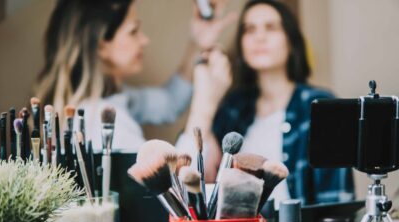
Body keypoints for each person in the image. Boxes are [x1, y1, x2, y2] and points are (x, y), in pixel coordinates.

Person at [179, 0, 355, 206]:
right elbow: (192, 187)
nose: (259, 37)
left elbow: (335, 207)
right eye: (249, 29)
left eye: (270, 28)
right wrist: (205, 101)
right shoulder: (233, 108)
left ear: (291, 40)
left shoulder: (319, 106)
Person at [35, 0, 236, 150]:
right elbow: (173, 189)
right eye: (134, 31)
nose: (144, 40)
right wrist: (205, 107)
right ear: (101, 45)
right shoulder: (100, 120)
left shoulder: (118, 98)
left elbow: (169, 103)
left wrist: (197, 42)